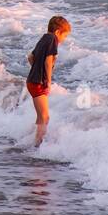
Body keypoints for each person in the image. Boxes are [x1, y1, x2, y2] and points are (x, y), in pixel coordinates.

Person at [26, 15, 71, 147]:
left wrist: (36, 69)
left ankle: (36, 142)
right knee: (45, 117)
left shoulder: (44, 38)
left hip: (32, 81)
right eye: (65, 36)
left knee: (41, 116)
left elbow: (30, 57)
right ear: (58, 32)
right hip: (38, 82)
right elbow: (48, 61)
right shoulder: (52, 39)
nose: (64, 39)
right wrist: (48, 80)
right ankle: (37, 145)